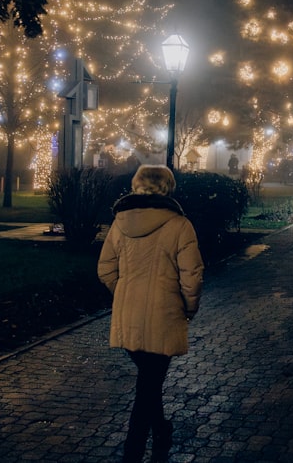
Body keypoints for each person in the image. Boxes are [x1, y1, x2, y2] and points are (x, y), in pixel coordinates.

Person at [98, 165, 205, 463]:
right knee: (148, 385)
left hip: (128, 316)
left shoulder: (120, 223)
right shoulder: (180, 225)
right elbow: (192, 275)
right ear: (168, 187)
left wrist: (124, 293)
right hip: (164, 315)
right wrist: (189, 307)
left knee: (149, 380)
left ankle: (161, 430)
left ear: (137, 185)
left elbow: (105, 269)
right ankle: (133, 452)